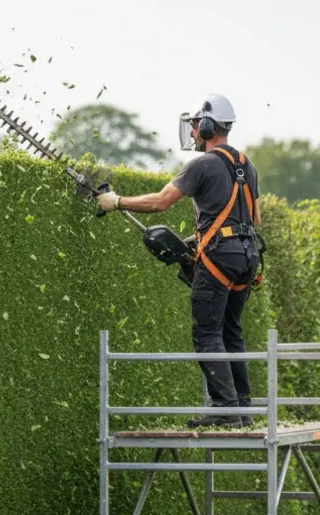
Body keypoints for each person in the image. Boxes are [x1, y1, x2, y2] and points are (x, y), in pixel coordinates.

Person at [96, 94, 262, 428]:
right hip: (248, 257)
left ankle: (226, 408)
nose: (195, 133)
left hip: (220, 260)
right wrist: (197, 242)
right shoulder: (247, 165)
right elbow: (254, 221)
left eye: (198, 126)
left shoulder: (201, 165)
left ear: (206, 126)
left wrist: (116, 201)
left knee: (206, 333)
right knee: (231, 331)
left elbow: (160, 202)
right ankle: (243, 407)